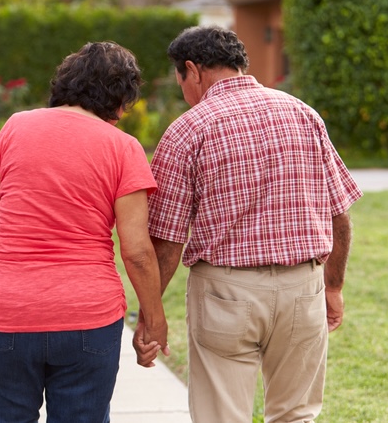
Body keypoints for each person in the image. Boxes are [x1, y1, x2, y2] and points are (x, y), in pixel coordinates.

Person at [135, 26, 363, 422]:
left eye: (180, 79)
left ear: (193, 70)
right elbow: (339, 214)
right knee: (296, 415)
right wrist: (333, 286)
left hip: (225, 294)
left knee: (222, 416)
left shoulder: (187, 130)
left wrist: (150, 316)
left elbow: (167, 240)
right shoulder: (303, 114)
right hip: (302, 289)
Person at [0, 41, 169, 423]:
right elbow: (137, 252)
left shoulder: (16, 126)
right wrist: (154, 320)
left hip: (5, 308)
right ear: (119, 99)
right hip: (86, 315)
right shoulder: (124, 148)